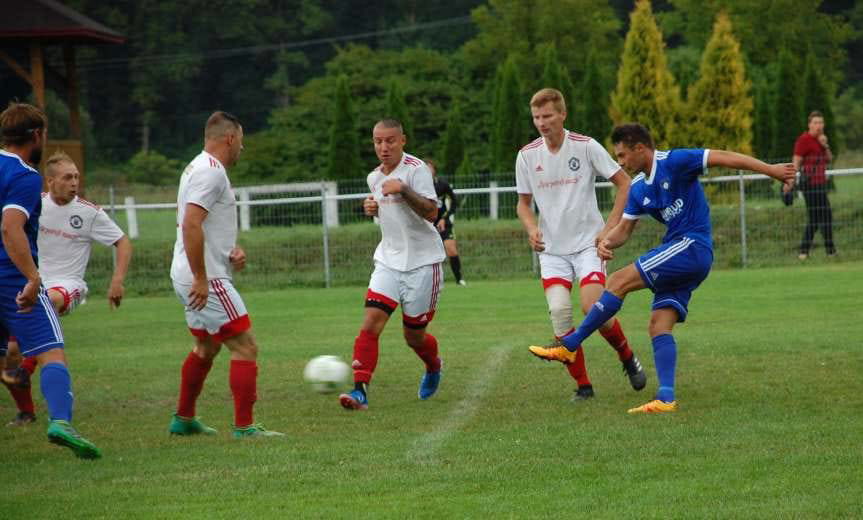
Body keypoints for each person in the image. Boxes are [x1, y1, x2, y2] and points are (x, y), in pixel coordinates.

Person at [530, 123, 795, 413]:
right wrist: (606, 242)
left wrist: (771, 170)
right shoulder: (638, 188)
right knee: (659, 325)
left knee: (617, 280)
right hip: (682, 254)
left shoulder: (675, 161)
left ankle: (570, 344)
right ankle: (666, 398)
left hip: (692, 246)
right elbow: (624, 230)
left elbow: (726, 157)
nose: (621, 163)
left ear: (640, 149)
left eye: (623, 155)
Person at [517, 88, 647, 402]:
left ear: (562, 115)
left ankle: (627, 356)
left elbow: (625, 184)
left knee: (592, 307)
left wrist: (609, 229)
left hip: (588, 245)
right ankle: (584, 386)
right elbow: (523, 204)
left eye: (548, 116)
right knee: (560, 312)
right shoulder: (527, 155)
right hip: (552, 251)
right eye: (536, 117)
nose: (542, 123)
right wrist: (532, 228)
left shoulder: (585, 146)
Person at [168, 111, 283, 438]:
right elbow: (191, 223)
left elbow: (203, 224)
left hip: (189, 271)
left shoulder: (196, 166)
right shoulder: (212, 172)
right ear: (230, 138)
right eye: (241, 141)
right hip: (205, 277)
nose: (242, 148)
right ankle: (245, 427)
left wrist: (231, 251)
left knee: (206, 346)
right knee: (246, 347)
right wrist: (202, 277)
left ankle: (184, 419)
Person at [1, 150, 132, 427]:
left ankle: (26, 369)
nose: (74, 183)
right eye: (67, 178)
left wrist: (117, 280)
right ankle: (26, 411)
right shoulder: (33, 204)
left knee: (47, 301)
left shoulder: (89, 212)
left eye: (76, 177)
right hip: (34, 281)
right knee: (9, 355)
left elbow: (123, 242)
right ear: (50, 181)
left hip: (68, 285)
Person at [0, 102, 100, 458]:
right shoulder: (25, 175)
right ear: (37, 135)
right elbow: (11, 227)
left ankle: (27, 409)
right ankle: (60, 421)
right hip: (12, 278)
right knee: (50, 350)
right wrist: (32, 276)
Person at [339, 119, 445, 411]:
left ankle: (433, 365)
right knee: (370, 323)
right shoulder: (373, 178)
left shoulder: (416, 169)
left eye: (390, 141)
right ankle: (359, 390)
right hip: (388, 260)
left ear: (402, 141)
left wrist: (403, 190)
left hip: (424, 263)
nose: (383, 147)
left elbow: (432, 212)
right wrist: (372, 209)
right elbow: (388, 215)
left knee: (414, 337)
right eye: (378, 141)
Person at [788, 111, 835, 259]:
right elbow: (796, 161)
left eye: (821, 122)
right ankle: (826, 251)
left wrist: (825, 145)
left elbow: (829, 159)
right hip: (810, 185)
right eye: (815, 123)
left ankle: (807, 251)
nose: (818, 126)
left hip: (821, 184)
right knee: (821, 217)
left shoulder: (821, 141)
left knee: (819, 218)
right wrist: (790, 180)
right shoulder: (804, 140)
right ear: (809, 124)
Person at [427, 159, 466, 285]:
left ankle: (459, 279)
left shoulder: (442, 185)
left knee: (451, 249)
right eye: (425, 168)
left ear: (434, 170)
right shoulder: (418, 187)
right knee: (428, 255)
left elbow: (454, 201)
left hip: (443, 223)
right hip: (427, 225)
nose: (428, 170)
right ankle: (430, 281)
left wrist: (444, 218)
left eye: (430, 168)